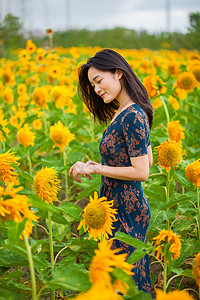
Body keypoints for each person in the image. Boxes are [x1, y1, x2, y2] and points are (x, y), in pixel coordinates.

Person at [69, 49, 153, 295]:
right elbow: (145, 159)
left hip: (127, 211)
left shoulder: (133, 115)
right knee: (119, 279)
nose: (96, 89)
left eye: (98, 81)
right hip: (118, 207)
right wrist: (98, 166)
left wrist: (96, 169)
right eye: (92, 85)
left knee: (125, 283)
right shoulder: (126, 111)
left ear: (118, 73)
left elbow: (142, 172)